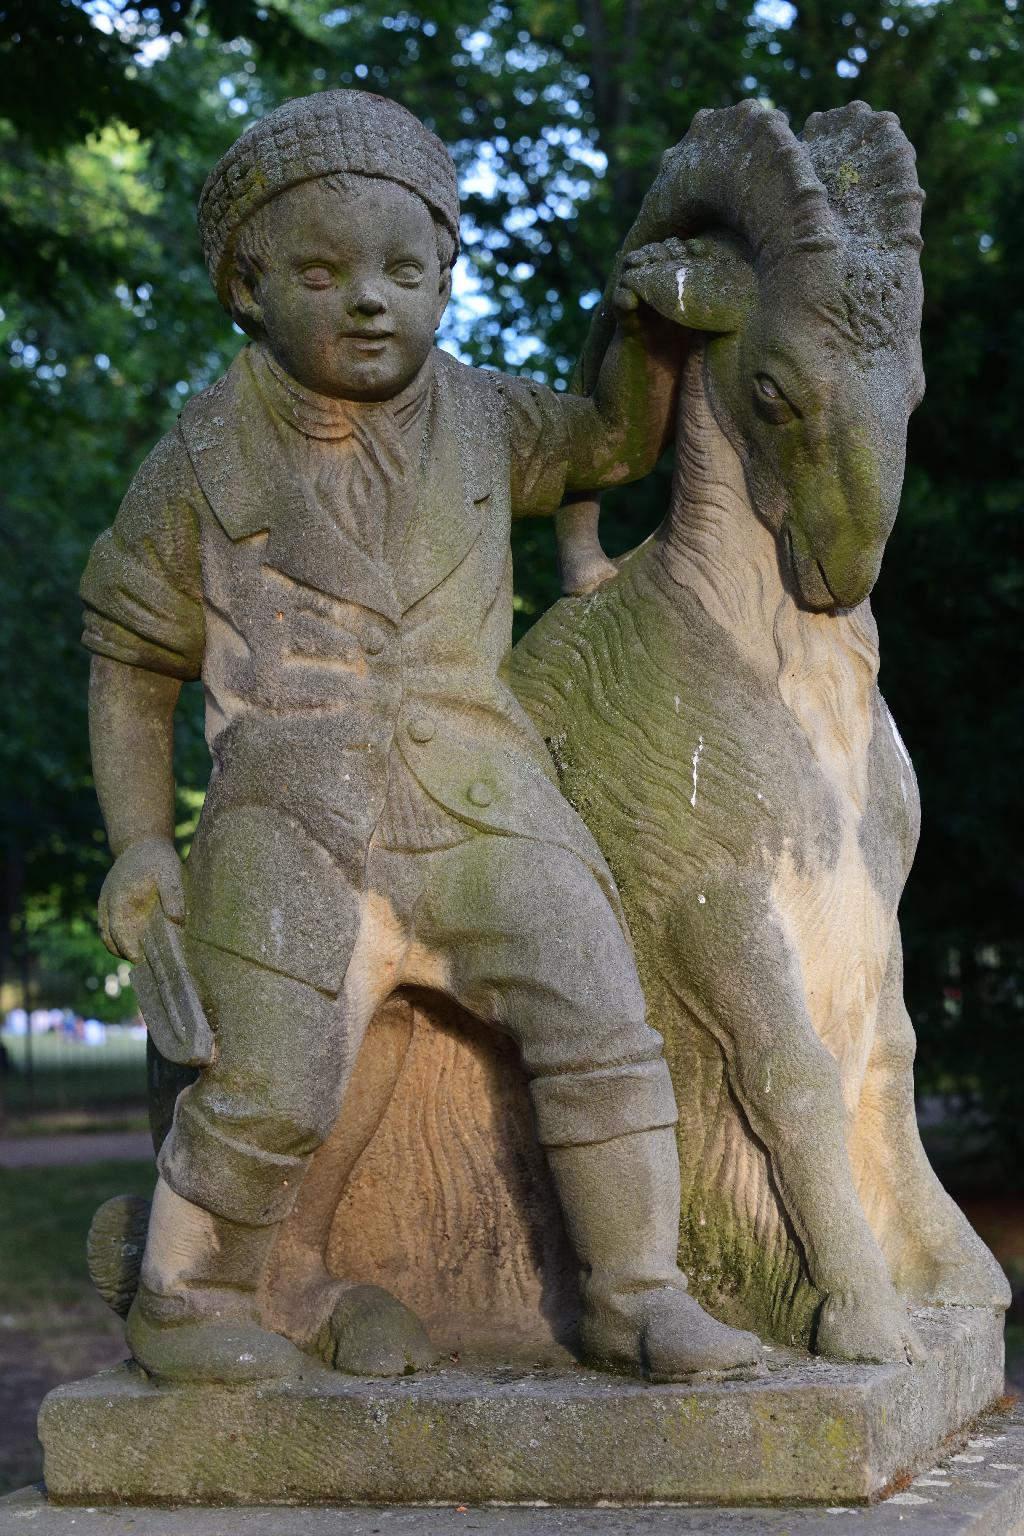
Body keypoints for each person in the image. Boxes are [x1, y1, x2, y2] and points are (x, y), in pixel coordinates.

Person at [82, 89, 760, 1385]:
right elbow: (129, 660)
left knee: (600, 1003)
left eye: (405, 269)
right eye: (324, 273)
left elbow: (618, 437)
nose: (371, 300)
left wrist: (648, 330)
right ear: (249, 286)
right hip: (291, 819)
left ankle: (638, 1296)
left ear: (449, 275)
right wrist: (135, 845)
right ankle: (185, 1295)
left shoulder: (490, 417)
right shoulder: (201, 460)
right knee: (268, 1086)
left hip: (476, 798)